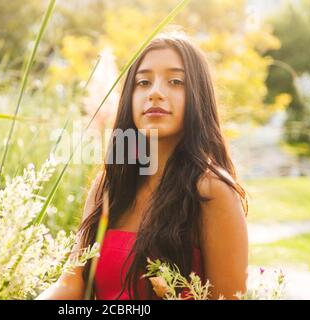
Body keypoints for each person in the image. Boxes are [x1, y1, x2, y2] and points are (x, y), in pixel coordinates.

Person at [37, 30, 248, 300]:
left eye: (174, 81)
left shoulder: (212, 193)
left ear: (198, 96)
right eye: (143, 82)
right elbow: (71, 285)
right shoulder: (109, 186)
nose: (156, 92)